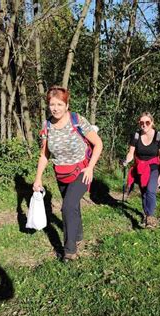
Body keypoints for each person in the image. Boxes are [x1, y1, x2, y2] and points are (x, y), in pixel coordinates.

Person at [33, 86, 103, 261]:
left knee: (67, 206)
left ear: (66, 104)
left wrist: (90, 167)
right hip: (61, 173)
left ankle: (69, 251)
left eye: (59, 104)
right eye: (52, 104)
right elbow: (44, 154)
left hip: (82, 170)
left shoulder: (77, 120)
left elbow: (98, 144)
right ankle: (78, 237)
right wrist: (38, 178)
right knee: (73, 206)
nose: (55, 108)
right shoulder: (47, 125)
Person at [122, 112, 160, 228]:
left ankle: (150, 217)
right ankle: (146, 215)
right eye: (141, 122)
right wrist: (126, 161)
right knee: (144, 193)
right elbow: (131, 153)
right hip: (140, 167)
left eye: (147, 122)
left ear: (152, 123)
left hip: (153, 167)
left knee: (151, 190)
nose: (144, 125)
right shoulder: (136, 136)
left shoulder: (159, 137)